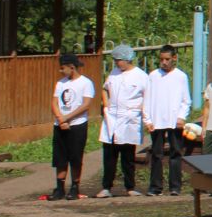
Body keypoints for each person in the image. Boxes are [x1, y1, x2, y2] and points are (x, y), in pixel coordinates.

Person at [96, 45, 145, 196]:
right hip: (112, 118)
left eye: (119, 60)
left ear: (127, 59)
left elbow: (148, 96)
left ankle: (130, 187)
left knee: (128, 156)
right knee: (109, 155)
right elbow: (105, 88)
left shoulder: (141, 76)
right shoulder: (114, 73)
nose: (117, 63)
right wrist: (106, 103)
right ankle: (106, 187)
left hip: (129, 118)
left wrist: (141, 112)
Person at [142, 46, 191, 196]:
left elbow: (186, 100)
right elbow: (147, 99)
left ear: (174, 59)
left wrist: (181, 117)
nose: (164, 62)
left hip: (174, 121)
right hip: (156, 120)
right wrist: (147, 119)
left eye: (167, 59)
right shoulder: (153, 76)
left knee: (175, 153)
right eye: (161, 59)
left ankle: (175, 187)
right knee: (157, 154)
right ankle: (155, 187)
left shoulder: (181, 76)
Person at [47, 53, 93, 201]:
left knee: (75, 157)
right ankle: (59, 187)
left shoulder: (85, 83)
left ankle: (75, 186)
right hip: (60, 123)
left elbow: (85, 104)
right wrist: (60, 118)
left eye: (63, 68)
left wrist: (68, 118)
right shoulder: (60, 83)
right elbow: (54, 102)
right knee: (60, 157)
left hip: (77, 124)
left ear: (72, 67)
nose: (61, 71)